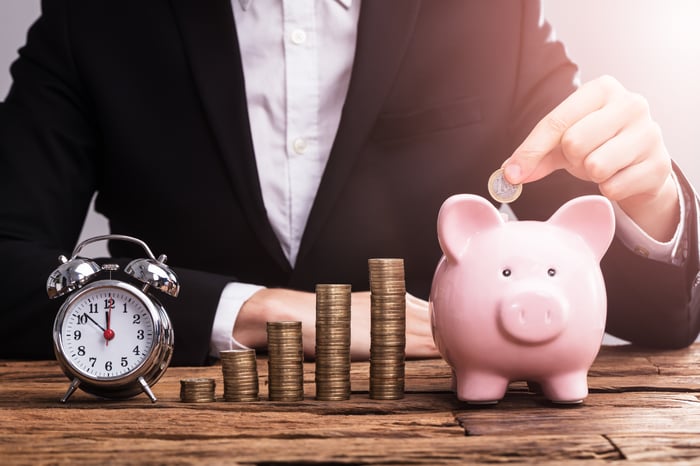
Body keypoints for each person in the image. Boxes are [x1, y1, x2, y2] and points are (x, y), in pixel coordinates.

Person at [1, 0, 698, 366]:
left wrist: (648, 204)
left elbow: (656, 317)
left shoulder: (489, 13)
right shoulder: (92, 16)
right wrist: (256, 313)